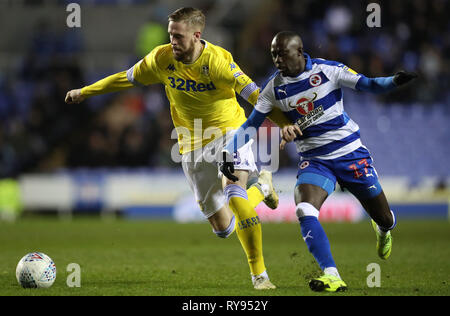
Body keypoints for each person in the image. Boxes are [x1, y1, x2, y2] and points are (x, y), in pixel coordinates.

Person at [65, 7, 293, 290]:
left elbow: (257, 96)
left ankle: (260, 276)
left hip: (229, 133)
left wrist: (284, 124)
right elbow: (125, 78)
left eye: (178, 36)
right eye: (170, 34)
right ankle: (263, 189)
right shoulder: (161, 59)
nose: (172, 40)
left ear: (197, 35)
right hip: (191, 144)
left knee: (234, 194)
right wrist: (84, 91)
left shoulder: (220, 62)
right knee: (223, 228)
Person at [221, 31, 417, 292]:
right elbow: (249, 127)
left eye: (283, 53)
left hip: (350, 153)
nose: (277, 59)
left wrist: (393, 81)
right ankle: (332, 274)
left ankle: (383, 228)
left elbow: (368, 84)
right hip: (315, 160)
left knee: (384, 217)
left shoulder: (329, 70)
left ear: (299, 52)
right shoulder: (273, 88)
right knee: (304, 210)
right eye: (273, 55)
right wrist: (226, 154)